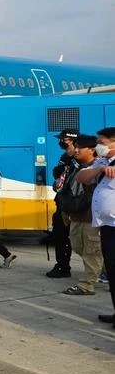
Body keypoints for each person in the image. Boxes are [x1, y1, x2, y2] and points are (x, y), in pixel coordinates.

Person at [75, 127, 115, 328]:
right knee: (112, 270)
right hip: (106, 224)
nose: (98, 145)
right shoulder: (103, 161)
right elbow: (80, 178)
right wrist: (99, 169)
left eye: (102, 141)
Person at [60, 135, 102, 296]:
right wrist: (65, 210)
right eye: (75, 146)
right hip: (76, 215)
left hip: (92, 217)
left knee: (92, 251)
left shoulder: (99, 168)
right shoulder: (75, 167)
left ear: (92, 150)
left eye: (80, 147)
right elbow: (68, 191)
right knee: (79, 247)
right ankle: (104, 270)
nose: (75, 150)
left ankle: (87, 285)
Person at [46, 129, 79, 278]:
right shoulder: (65, 156)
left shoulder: (82, 158)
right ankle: (62, 266)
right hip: (62, 202)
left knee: (84, 241)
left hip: (78, 204)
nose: (61, 142)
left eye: (64, 139)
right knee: (60, 236)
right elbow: (57, 174)